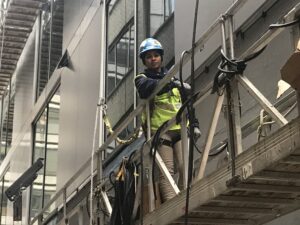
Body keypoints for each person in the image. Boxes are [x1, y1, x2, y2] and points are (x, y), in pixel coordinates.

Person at [134, 38, 190, 202]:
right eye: (149, 56)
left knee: (185, 167)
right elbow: (147, 89)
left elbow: (188, 104)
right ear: (144, 60)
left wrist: (194, 125)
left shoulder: (172, 77)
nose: (153, 59)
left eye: (156, 55)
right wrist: (173, 84)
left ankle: (184, 200)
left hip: (180, 129)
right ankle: (172, 205)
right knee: (168, 170)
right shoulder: (141, 78)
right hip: (161, 132)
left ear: (161, 57)